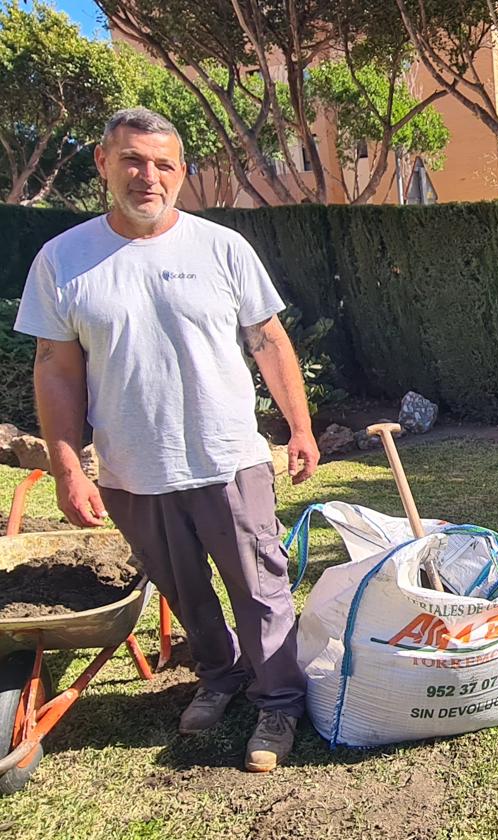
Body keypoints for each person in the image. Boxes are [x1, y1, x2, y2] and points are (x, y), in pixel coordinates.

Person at [14, 108, 320, 773]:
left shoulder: (221, 249)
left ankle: (280, 701)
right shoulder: (63, 259)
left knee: (259, 587)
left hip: (227, 456)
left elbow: (268, 339)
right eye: (131, 160)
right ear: (103, 163)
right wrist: (69, 466)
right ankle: (221, 675)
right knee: (184, 589)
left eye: (162, 164)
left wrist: (299, 428)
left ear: (181, 173)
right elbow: (57, 370)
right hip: (131, 468)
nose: (146, 176)